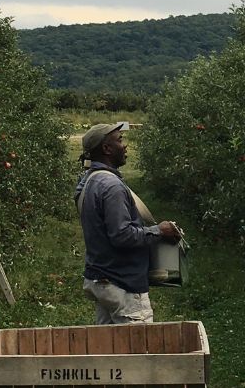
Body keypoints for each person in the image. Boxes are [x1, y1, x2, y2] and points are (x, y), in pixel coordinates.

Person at [74, 122, 181, 325]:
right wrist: (159, 230)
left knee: (109, 350)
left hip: (102, 278)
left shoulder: (89, 181)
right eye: (119, 140)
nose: (125, 146)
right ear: (106, 149)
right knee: (138, 353)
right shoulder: (112, 186)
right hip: (121, 284)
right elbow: (122, 235)